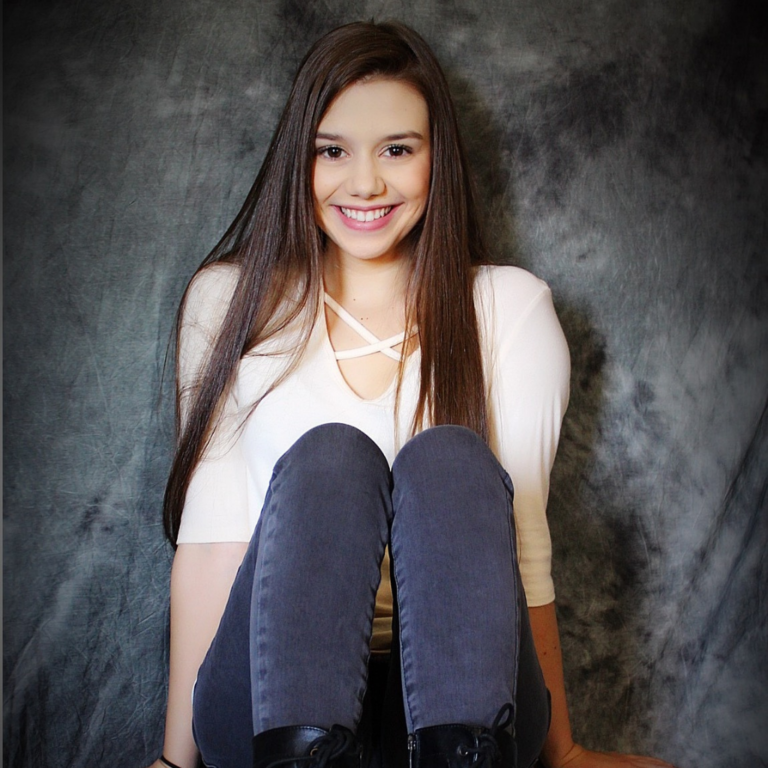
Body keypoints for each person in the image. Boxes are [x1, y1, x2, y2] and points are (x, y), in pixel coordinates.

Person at [148, 20, 676, 768]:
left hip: (457, 704)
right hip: (270, 703)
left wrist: (561, 753)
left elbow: (522, 546)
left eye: (397, 149)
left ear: (438, 159)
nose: (365, 183)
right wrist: (173, 762)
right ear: (300, 160)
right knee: (333, 458)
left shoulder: (509, 309)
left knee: (450, 462)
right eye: (332, 151)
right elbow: (210, 549)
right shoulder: (229, 302)